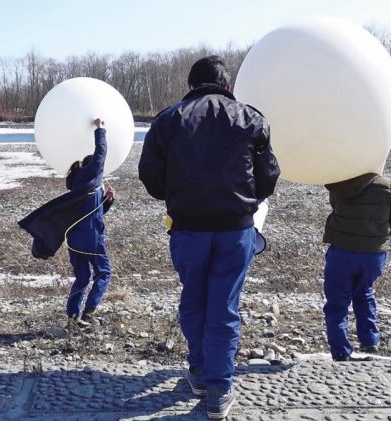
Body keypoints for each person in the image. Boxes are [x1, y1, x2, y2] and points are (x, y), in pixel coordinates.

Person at [138, 56, 280, 419]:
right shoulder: (252, 118)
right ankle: (218, 388)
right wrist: (244, 200)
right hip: (236, 230)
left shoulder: (169, 120)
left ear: (190, 85)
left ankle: (200, 370)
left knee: (194, 296)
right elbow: (268, 178)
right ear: (228, 86)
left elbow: (151, 179)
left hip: (188, 228)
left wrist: (181, 193)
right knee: (224, 306)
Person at [18, 118, 114, 326]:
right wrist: (101, 129)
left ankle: (72, 316)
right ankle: (88, 313)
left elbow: (92, 213)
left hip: (74, 240)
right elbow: (101, 153)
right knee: (104, 272)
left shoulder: (82, 187)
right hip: (92, 238)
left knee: (82, 277)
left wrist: (108, 201)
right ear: (93, 169)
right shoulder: (91, 177)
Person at [322, 172, 391, 361]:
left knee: (336, 302)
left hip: (341, 250)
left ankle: (341, 351)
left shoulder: (338, 182)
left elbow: (335, 206)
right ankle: (370, 342)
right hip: (373, 252)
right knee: (364, 292)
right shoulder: (388, 185)